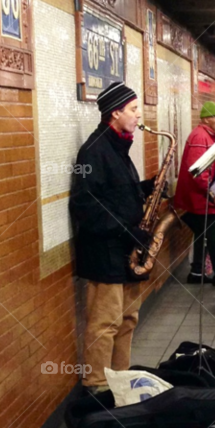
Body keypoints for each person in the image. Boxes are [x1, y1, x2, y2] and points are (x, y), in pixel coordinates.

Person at [69, 80, 153, 397]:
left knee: (128, 318)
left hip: (124, 250)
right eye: (133, 109)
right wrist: (126, 229)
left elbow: (114, 194)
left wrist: (145, 188)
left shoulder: (118, 146)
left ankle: (120, 380)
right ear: (115, 112)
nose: (137, 116)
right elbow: (85, 205)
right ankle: (97, 387)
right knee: (105, 324)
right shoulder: (94, 150)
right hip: (104, 252)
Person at [174, 100, 215, 287]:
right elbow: (198, 172)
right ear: (207, 119)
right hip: (203, 200)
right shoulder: (200, 137)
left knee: (201, 235)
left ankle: (197, 271)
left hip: (202, 198)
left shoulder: (206, 136)